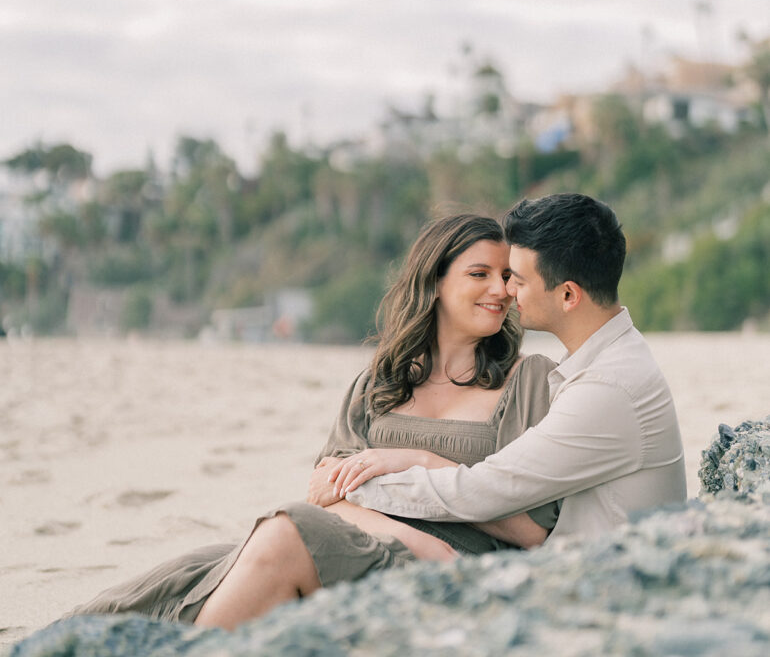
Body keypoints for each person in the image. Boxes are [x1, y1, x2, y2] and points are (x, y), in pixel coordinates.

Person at [69, 214, 559, 629]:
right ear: (434, 282)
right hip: (378, 547)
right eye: (480, 274)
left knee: (286, 531)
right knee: (187, 572)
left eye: (506, 276)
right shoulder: (380, 382)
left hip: (461, 571)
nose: (501, 290)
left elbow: (534, 530)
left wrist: (422, 463)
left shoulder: (527, 381)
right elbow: (325, 493)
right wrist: (414, 538)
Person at [333, 193, 687, 539]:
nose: (506, 291)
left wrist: (366, 480)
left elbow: (487, 490)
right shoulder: (600, 365)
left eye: (516, 278)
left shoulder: (607, 387)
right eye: (483, 275)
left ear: (567, 295)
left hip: (612, 579)